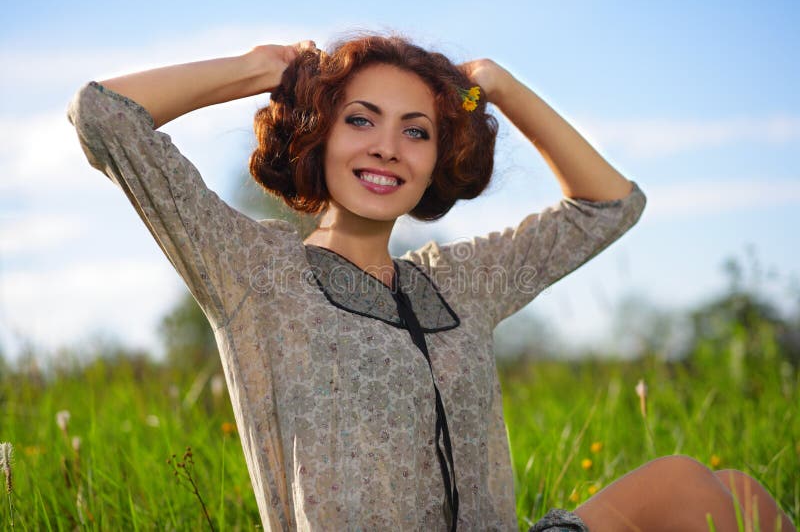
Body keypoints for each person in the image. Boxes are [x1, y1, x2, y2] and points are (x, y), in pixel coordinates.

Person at [67, 34, 795, 532]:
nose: (388, 144)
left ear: (437, 159)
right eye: (361, 120)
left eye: (417, 130)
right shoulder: (256, 273)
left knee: (729, 491)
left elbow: (610, 206)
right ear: (317, 135)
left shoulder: (457, 283)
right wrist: (264, 69)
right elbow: (101, 114)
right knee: (699, 488)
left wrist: (499, 90)